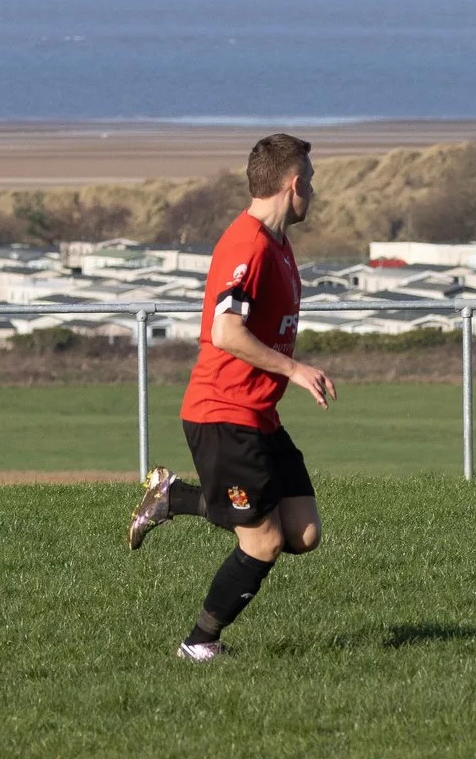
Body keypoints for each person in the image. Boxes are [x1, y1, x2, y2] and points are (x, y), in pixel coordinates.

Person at [125, 132, 335, 660]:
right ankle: (199, 643)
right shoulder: (247, 245)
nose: (313, 189)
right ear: (292, 185)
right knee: (261, 542)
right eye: (309, 180)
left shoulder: (279, 245)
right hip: (223, 415)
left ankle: (173, 497)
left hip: (257, 415)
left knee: (302, 533)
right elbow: (226, 332)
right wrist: (295, 369)